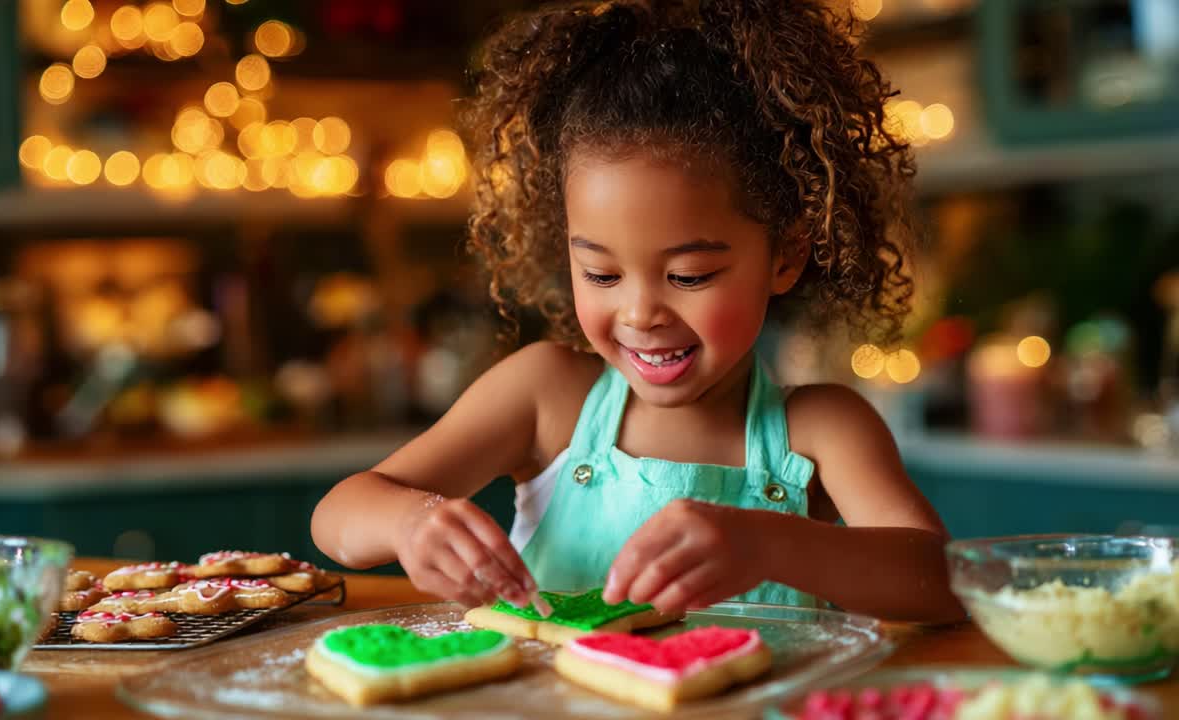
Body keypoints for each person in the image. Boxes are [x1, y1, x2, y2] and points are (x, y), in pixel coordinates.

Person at [312, 0, 966, 623]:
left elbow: (942, 583)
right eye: (601, 273)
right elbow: (339, 516)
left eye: (688, 275)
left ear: (786, 257)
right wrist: (411, 522)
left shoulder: (820, 430)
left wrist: (769, 544)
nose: (640, 311)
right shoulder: (545, 398)